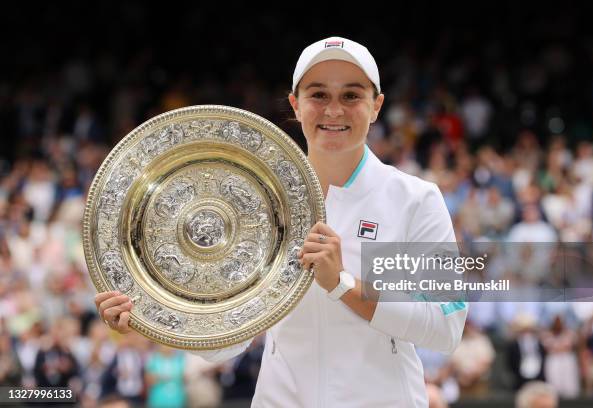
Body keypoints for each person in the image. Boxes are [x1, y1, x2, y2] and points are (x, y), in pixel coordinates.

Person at [95, 36, 467, 407]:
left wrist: (344, 285)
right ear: (296, 104)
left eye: (351, 96)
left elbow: (445, 326)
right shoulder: (254, 204)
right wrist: (151, 318)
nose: (334, 111)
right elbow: (229, 340)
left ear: (376, 106)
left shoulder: (415, 200)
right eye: (318, 95)